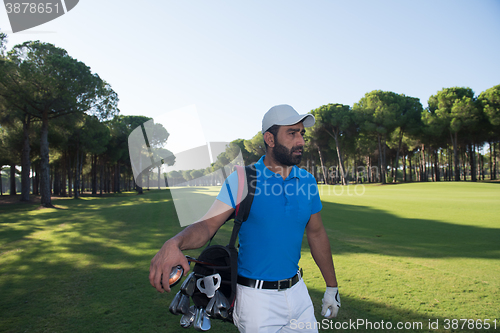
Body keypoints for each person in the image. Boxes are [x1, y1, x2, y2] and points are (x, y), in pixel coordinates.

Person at [149, 104, 341, 332]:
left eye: (302, 133)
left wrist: (331, 287)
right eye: (292, 133)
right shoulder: (243, 179)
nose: (300, 141)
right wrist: (174, 242)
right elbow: (208, 225)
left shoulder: (307, 181)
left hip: (299, 294)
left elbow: (316, 233)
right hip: (257, 302)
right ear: (270, 139)